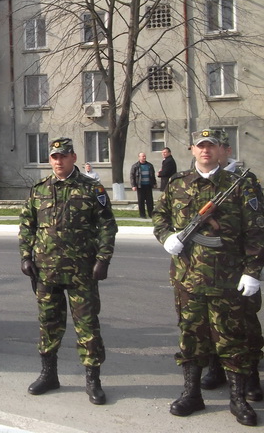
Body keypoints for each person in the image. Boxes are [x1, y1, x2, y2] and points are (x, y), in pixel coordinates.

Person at [153, 128, 264, 427]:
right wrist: (166, 236)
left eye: (211, 146)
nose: (205, 150)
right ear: (192, 150)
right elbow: (160, 217)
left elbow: (256, 231)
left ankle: (238, 399)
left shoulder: (240, 185)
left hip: (228, 279)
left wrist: (252, 272)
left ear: (220, 150)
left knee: (232, 340)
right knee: (191, 337)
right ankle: (191, 394)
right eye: (200, 146)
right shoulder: (177, 183)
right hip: (187, 279)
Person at [19, 137, 117, 405]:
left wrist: (103, 259)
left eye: (63, 156)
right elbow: (27, 225)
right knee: (48, 324)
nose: (58, 161)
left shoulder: (91, 188)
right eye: (54, 157)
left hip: (81, 272)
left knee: (88, 326)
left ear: (73, 157)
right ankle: (49, 375)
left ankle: (93, 381)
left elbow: (107, 225)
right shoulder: (39, 189)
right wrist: (25, 256)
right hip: (46, 272)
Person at [130, 152, 157, 218]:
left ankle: (151, 214)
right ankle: (142, 215)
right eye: (142, 156)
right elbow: (132, 176)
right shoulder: (135, 166)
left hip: (148, 185)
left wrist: (154, 183)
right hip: (140, 186)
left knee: (150, 201)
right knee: (141, 201)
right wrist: (133, 185)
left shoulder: (150, 165)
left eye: (145, 156)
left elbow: (152, 175)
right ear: (139, 157)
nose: (144, 157)